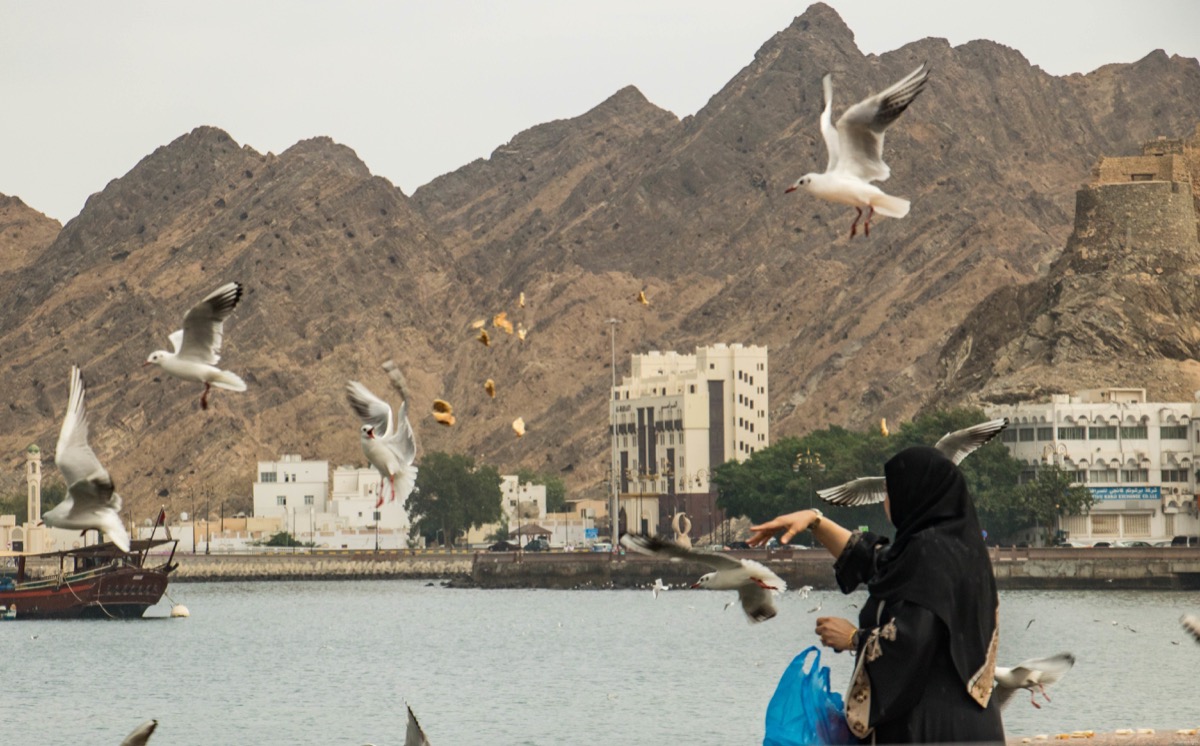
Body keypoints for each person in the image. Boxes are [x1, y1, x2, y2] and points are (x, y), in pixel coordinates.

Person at [749, 445, 1004, 744]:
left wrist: (854, 638)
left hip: (932, 729)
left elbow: (914, 639)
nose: (885, 500)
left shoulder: (930, 554)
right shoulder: (952, 549)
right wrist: (815, 521)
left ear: (913, 493)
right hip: (966, 725)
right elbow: (876, 561)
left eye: (889, 491)